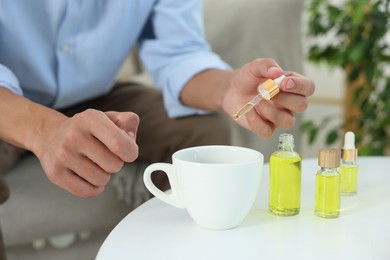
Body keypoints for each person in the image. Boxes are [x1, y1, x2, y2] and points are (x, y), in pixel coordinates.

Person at [0, 1, 314, 258]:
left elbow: (178, 53)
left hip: (92, 94)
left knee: (202, 135)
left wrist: (227, 88)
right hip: (9, 100)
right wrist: (44, 130)